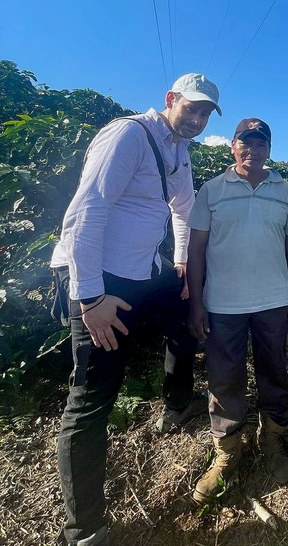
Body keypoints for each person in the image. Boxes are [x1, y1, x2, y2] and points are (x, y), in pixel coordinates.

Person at [50, 73, 221, 546]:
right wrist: (90, 297)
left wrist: (182, 263)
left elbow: (183, 208)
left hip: (144, 270)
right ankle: (84, 529)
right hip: (100, 278)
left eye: (207, 113)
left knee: (186, 310)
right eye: (193, 108)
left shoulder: (180, 151)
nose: (199, 119)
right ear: (171, 100)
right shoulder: (128, 134)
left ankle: (175, 404)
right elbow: (87, 210)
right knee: (90, 400)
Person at [187, 118, 288, 504]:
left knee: (275, 370)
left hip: (272, 300)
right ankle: (227, 451)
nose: (253, 149)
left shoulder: (284, 190)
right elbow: (197, 249)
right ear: (232, 147)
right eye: (245, 142)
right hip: (223, 304)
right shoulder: (212, 190)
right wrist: (197, 301)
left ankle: (271, 438)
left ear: (269, 148)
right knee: (223, 378)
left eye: (261, 142)